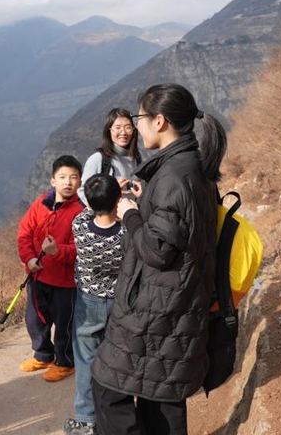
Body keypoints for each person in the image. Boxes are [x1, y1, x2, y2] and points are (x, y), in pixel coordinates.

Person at [91, 83, 227, 435]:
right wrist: (147, 199)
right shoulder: (189, 166)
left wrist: (130, 214)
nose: (135, 126)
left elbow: (157, 250)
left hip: (157, 310)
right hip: (176, 304)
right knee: (160, 398)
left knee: (109, 388)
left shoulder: (173, 177)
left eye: (139, 118)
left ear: (160, 121)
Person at [64, 174, 125, 435]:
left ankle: (85, 419)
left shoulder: (79, 226)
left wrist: (107, 194)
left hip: (88, 301)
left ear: (89, 203)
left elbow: (88, 209)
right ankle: (115, 415)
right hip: (119, 302)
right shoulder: (126, 233)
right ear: (118, 201)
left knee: (85, 359)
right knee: (116, 358)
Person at [17, 155, 85, 382]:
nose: (68, 182)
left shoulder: (80, 213)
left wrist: (57, 252)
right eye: (63, 177)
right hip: (38, 276)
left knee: (64, 324)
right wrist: (29, 259)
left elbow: (79, 250)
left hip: (66, 283)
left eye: (73, 178)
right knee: (35, 319)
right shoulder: (40, 204)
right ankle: (43, 354)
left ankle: (65, 362)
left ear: (80, 182)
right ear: (53, 181)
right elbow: (24, 233)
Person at [77, 107, 142, 206]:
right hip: (106, 215)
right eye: (118, 128)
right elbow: (83, 192)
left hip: (131, 214)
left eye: (128, 127)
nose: (123, 132)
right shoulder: (99, 159)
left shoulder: (137, 159)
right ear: (109, 131)